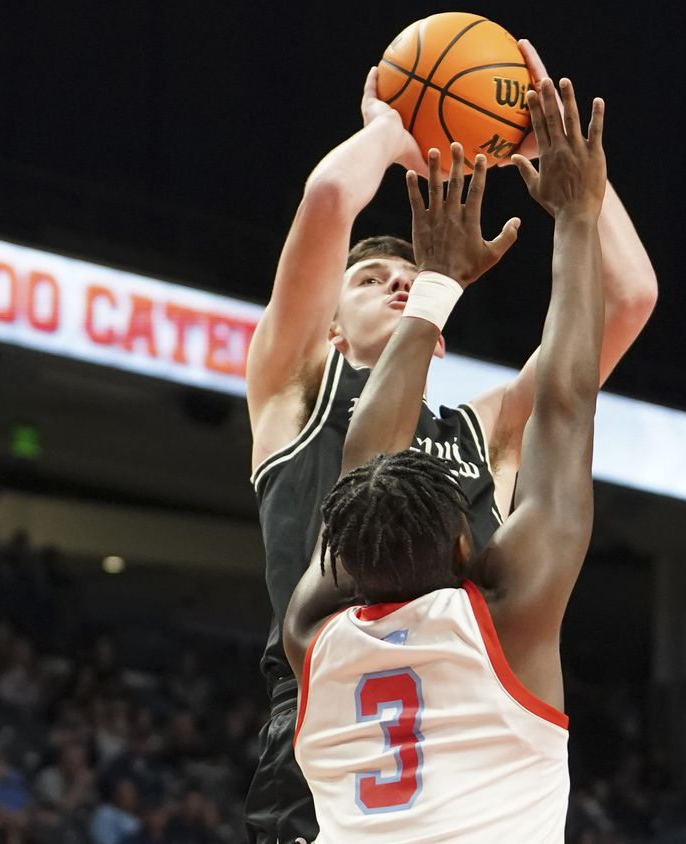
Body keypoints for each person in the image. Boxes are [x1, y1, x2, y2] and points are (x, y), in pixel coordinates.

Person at [242, 39, 656, 844]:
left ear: (436, 341)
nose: (396, 281)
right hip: (334, 708)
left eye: (407, 277)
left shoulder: (480, 427)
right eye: (368, 281)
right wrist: (395, 131)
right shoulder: (299, 384)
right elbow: (331, 194)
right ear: (327, 324)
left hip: (447, 681)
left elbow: (630, 297)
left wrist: (543, 146)